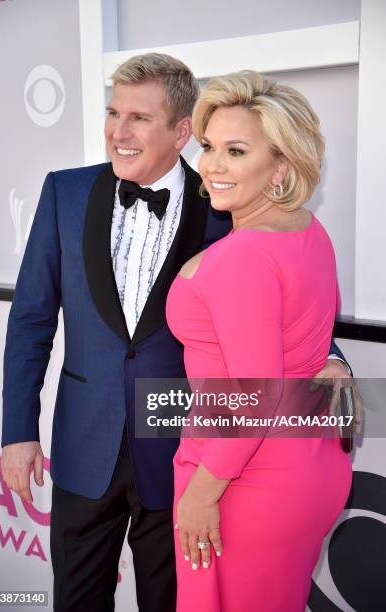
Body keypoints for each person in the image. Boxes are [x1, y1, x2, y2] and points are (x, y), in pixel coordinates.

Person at [1, 54, 351, 612]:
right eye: (113, 113)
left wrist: (334, 361)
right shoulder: (63, 194)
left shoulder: (226, 207)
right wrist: (18, 430)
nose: (119, 131)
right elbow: (31, 320)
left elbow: (278, 304)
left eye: (139, 117)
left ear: (181, 129)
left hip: (181, 460)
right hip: (84, 447)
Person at [166, 70, 353, 612]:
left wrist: (202, 495)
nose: (213, 165)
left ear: (281, 168)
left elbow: (254, 396)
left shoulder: (242, 258)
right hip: (308, 469)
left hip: (240, 483)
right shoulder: (308, 232)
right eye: (209, 146)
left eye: (236, 150)